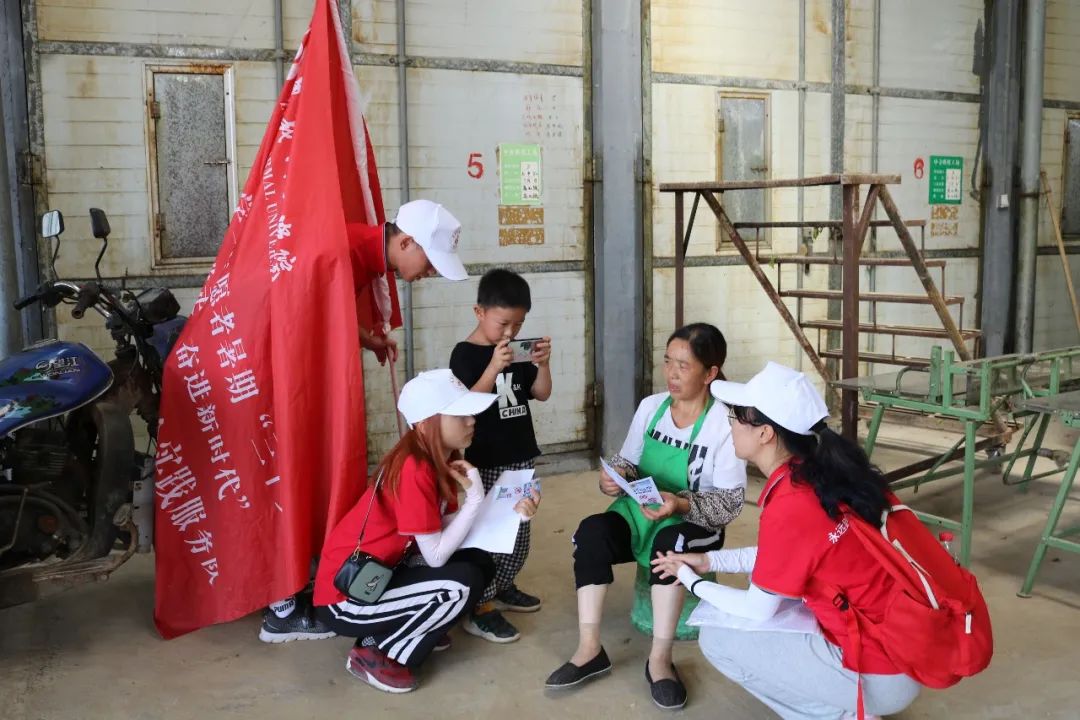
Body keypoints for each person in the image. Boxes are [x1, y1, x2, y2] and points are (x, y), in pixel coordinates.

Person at [651, 361, 922, 720]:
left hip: (879, 673)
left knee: (716, 638)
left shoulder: (791, 503)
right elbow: (786, 554)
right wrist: (710, 560)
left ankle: (841, 716)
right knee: (771, 590)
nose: (729, 424)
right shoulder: (817, 476)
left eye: (735, 416)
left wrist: (690, 580)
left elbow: (757, 609)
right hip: (903, 646)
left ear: (765, 433)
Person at [260, 199, 468, 642]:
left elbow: (326, 308)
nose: (430, 273)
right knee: (284, 480)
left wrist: (365, 339)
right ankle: (281, 605)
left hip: (298, 382)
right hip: (272, 382)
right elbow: (293, 311)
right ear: (406, 242)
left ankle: (308, 578)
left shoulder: (360, 255)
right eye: (430, 263)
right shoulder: (341, 249)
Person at [546, 323, 747, 710]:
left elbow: (729, 503)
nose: (671, 373)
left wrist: (679, 504)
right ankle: (589, 649)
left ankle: (660, 660)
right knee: (591, 533)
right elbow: (627, 461)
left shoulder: (724, 423)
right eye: (667, 362)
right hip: (642, 513)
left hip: (695, 522)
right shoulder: (651, 407)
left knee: (669, 544)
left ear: (710, 373)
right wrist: (615, 477)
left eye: (683, 366)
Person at [312, 369, 539, 693]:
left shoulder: (440, 458)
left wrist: (510, 514)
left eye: (470, 412)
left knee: (478, 562)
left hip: (384, 573)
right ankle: (377, 652)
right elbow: (435, 556)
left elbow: (443, 529)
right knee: (457, 587)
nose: (471, 421)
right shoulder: (414, 468)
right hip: (348, 597)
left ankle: (418, 625)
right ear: (425, 423)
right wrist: (475, 500)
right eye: (460, 415)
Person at [449, 269, 552, 643]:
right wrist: (493, 366)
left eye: (518, 324)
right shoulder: (465, 354)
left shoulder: (515, 351)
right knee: (491, 534)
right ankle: (480, 606)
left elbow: (541, 394)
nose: (510, 332)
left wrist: (542, 364)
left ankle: (502, 586)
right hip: (489, 460)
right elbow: (466, 406)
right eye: (503, 323)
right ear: (479, 312)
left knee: (519, 532)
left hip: (521, 457)